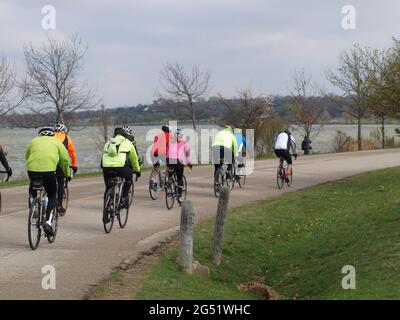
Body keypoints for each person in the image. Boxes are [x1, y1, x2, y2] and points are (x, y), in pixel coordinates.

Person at [25, 127, 71, 236]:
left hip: (32, 170)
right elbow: (64, 161)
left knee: (33, 188)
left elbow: (27, 156)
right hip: (49, 171)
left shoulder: (32, 141)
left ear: (40, 135)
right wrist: (67, 173)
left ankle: (34, 205)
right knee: (52, 195)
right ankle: (48, 222)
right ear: (52, 135)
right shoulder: (57, 142)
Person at [101, 127, 141, 223]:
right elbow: (134, 159)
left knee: (107, 188)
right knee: (128, 177)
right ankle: (123, 198)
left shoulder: (108, 142)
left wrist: (103, 167)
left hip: (106, 167)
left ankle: (105, 212)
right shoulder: (128, 143)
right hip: (121, 167)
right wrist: (137, 170)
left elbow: (103, 156)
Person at [54, 123, 78, 214]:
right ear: (64, 131)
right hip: (60, 164)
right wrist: (74, 166)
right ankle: (59, 205)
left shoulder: (50, 137)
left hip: (48, 163)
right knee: (60, 182)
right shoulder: (67, 138)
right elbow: (72, 154)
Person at [167, 129, 192, 202]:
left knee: (170, 172)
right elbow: (187, 154)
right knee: (180, 178)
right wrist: (189, 164)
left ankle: (169, 187)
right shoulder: (184, 142)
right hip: (178, 161)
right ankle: (180, 196)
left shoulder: (170, 142)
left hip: (169, 160)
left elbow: (167, 152)